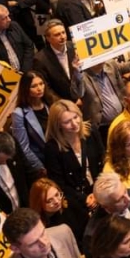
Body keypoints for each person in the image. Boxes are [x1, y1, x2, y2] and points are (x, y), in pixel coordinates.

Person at [43, 100, 104, 241]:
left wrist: (98, 191)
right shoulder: (52, 148)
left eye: (76, 117)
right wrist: (84, 198)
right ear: (58, 125)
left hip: (99, 189)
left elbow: (103, 160)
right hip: (76, 202)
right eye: (67, 122)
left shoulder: (91, 131)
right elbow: (59, 183)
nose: (74, 124)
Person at [83, 171, 130, 258]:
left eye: (125, 191)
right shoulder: (93, 234)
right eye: (120, 199)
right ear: (105, 206)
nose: (128, 198)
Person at [11, 71, 53, 178]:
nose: (39, 88)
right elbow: (23, 147)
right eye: (34, 86)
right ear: (25, 89)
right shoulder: (19, 113)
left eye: (41, 84)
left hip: (59, 156)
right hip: (41, 162)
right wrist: (40, 168)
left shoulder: (50, 104)